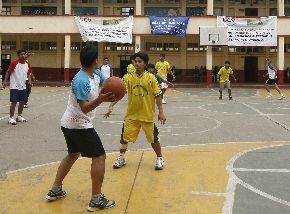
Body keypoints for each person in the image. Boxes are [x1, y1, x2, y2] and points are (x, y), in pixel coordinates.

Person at [45, 45, 116, 212]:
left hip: (71, 123)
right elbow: (85, 108)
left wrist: (117, 90)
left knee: (73, 154)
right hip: (78, 124)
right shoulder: (80, 80)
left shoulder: (95, 73)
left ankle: (55, 189)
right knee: (99, 156)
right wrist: (101, 100)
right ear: (95, 61)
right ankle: (96, 199)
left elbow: (108, 84)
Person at [105, 51, 166, 170]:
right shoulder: (128, 78)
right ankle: (121, 157)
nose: (137, 63)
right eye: (135, 61)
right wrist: (111, 105)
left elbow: (158, 95)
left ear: (145, 64)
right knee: (124, 138)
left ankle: (159, 158)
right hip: (132, 115)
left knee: (154, 139)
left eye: (140, 61)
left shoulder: (151, 78)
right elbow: (120, 93)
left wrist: (161, 112)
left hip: (147, 115)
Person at [3, 49, 32, 125]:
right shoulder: (14, 63)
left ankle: (19, 116)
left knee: (22, 102)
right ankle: (11, 117)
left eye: (24, 54)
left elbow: (29, 73)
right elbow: (8, 72)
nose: (23, 55)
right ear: (18, 55)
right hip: (14, 86)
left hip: (23, 86)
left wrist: (29, 81)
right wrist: (5, 81)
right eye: (21, 54)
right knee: (14, 102)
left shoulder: (27, 64)